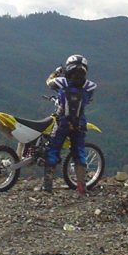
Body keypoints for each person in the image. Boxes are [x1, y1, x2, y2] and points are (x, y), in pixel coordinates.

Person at [42, 54, 97, 194]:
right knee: (79, 151)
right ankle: (81, 187)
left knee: (53, 149)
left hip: (62, 122)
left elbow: (49, 82)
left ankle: (47, 186)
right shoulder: (90, 86)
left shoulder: (62, 82)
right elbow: (89, 99)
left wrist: (56, 72)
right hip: (79, 123)